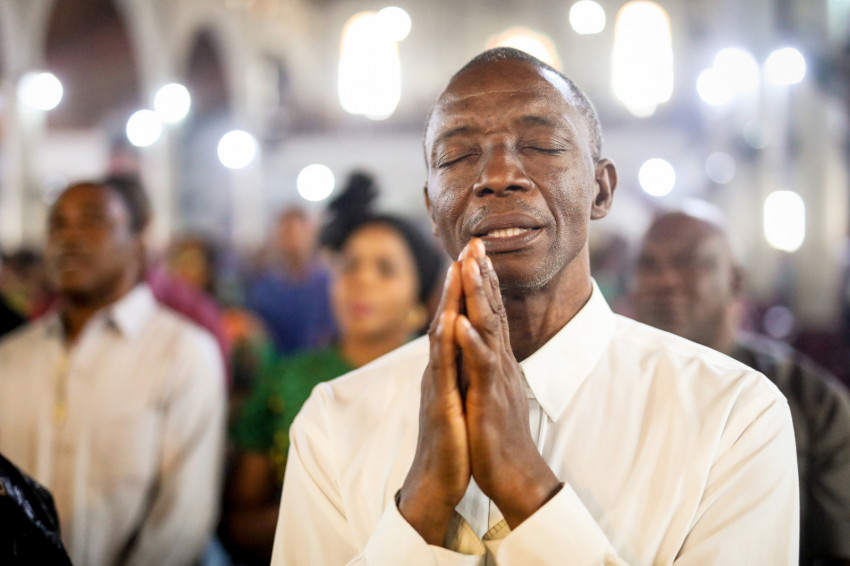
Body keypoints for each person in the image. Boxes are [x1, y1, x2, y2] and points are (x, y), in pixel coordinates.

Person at [271, 47, 798, 565]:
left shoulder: (732, 416)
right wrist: (422, 505)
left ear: (600, 191)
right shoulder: (335, 421)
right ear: (433, 209)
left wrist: (525, 484)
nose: (498, 175)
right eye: (458, 156)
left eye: (542, 145)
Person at [0, 178, 226, 566]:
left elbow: (181, 524)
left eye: (92, 221)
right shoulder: (12, 356)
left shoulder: (182, 353)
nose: (69, 237)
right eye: (57, 224)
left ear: (138, 245)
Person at [224, 172, 442, 564]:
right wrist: (322, 517)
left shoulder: (444, 381)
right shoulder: (287, 378)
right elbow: (239, 523)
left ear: (419, 298)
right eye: (350, 265)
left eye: (385, 269)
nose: (361, 280)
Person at [632, 210, 850, 566]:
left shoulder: (811, 400)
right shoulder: (606, 387)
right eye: (648, 265)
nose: (665, 280)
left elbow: (837, 549)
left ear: (735, 282)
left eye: (689, 263)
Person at [245, 207, 336, 356]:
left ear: (310, 234)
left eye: (296, 233)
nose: (292, 242)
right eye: (285, 234)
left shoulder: (331, 285)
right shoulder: (264, 290)